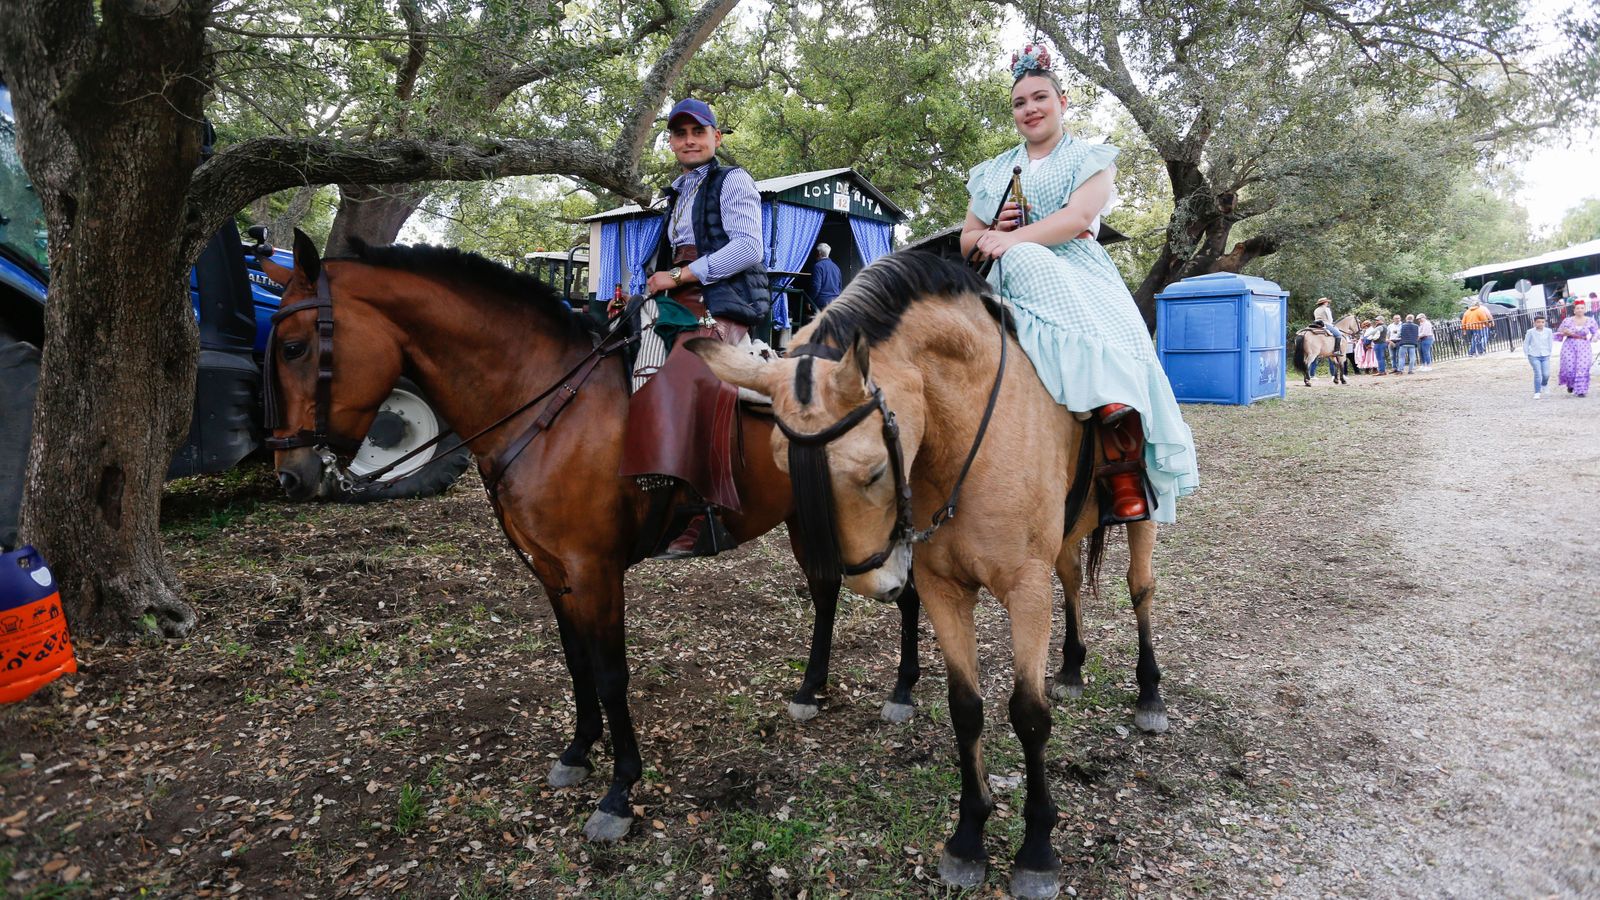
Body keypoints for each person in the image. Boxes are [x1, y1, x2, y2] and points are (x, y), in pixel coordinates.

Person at [961, 45, 1198, 524]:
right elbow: (968, 240)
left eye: (1039, 98)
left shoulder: (1090, 158)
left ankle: (1122, 461)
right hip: (1011, 271)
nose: (1029, 109)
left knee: (1123, 332)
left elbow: (1078, 218)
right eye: (1019, 102)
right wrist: (991, 235)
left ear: (1062, 102)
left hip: (1077, 268)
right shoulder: (992, 173)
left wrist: (1013, 240)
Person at [625, 97, 771, 557]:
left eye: (698, 132)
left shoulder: (734, 181)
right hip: (677, 295)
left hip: (723, 296)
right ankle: (638, 483)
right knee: (614, 353)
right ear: (670, 141)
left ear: (715, 138)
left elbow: (749, 247)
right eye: (680, 133)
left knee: (693, 372)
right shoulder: (675, 192)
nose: (689, 140)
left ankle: (703, 507)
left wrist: (683, 275)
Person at [1554, 299, 1597, 397]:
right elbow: (1560, 332)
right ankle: (1571, 385)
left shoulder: (1591, 320)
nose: (1580, 310)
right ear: (1574, 310)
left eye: (1582, 308)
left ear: (1585, 309)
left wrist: (1594, 337)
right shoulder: (1567, 320)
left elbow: (1596, 332)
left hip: (1584, 346)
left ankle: (1581, 390)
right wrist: (1565, 332)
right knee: (1570, 367)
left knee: (1583, 367)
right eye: (1578, 308)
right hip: (1569, 346)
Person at [808, 242, 842, 312]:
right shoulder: (836, 267)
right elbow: (840, 287)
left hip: (822, 303)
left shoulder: (818, 266)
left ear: (819, 253)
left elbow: (816, 287)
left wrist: (809, 300)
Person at [1525, 313, 1553, 399]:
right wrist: (1527, 353)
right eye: (1538, 322)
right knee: (1538, 373)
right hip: (1533, 355)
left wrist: (1549, 352)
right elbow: (1526, 343)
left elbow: (1550, 342)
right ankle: (1537, 392)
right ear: (1534, 323)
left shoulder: (1548, 331)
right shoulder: (1530, 332)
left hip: (1545, 355)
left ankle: (1544, 384)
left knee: (1546, 374)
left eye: (1542, 322)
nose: (1540, 324)